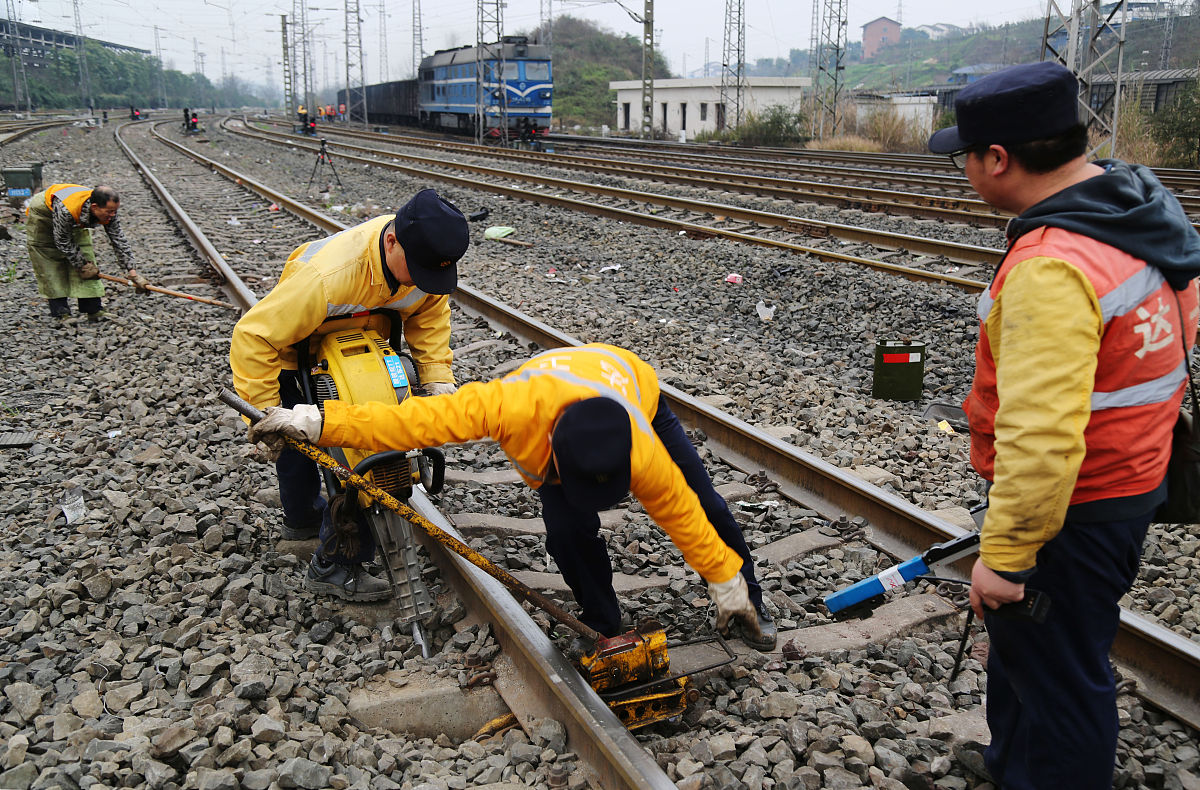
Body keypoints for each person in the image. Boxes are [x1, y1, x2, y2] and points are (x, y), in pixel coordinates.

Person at [928, 61, 1200, 788]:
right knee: (1031, 656)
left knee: (1061, 681)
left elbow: (1042, 441)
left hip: (1071, 511)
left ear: (998, 159)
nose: (963, 171)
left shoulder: (1055, 265)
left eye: (966, 157)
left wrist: (1007, 557)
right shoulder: (1137, 209)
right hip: (1134, 478)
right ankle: (1010, 765)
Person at [245, 343, 778, 651]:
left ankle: (747, 601)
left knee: (706, 501)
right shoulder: (505, 405)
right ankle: (601, 622)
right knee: (567, 531)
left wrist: (723, 580)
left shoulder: (640, 443)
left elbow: (682, 514)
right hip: (555, 392)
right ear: (554, 455)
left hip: (627, 380)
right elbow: (407, 422)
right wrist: (315, 421)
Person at [230, 188, 470, 602]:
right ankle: (329, 561)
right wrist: (263, 412)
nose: (421, 281)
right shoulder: (328, 277)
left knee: (366, 448)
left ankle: (312, 529)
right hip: (297, 354)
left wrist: (437, 379)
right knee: (299, 445)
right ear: (392, 241)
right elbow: (254, 336)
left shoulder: (424, 266)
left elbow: (430, 320)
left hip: (363, 358)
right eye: (417, 270)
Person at [25, 183, 147, 321]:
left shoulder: (108, 211)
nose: (112, 215)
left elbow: (118, 239)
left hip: (74, 216)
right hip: (45, 214)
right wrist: (81, 264)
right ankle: (61, 312)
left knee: (87, 257)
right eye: (109, 212)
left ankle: (93, 309)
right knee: (50, 261)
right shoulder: (66, 210)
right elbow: (63, 241)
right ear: (94, 207)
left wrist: (133, 274)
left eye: (115, 211)